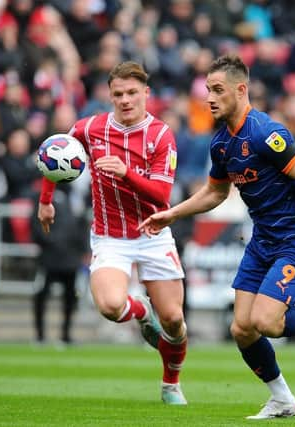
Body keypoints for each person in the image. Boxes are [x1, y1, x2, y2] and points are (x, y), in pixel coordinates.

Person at [139, 55, 295, 419]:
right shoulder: (221, 143)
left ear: (241, 90)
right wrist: (172, 214)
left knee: (267, 322)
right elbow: (215, 193)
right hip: (262, 243)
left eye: (218, 90)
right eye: (208, 90)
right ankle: (283, 400)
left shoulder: (266, 133)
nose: (210, 97)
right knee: (242, 329)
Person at [37, 61, 188, 405]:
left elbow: (162, 195)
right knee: (109, 305)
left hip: (153, 233)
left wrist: (124, 173)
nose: (125, 100)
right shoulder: (90, 128)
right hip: (110, 236)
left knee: (175, 320)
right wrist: (46, 201)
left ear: (146, 94)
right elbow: (54, 152)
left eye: (132, 93)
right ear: (110, 95)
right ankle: (140, 312)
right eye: (118, 94)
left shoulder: (161, 134)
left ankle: (171, 383)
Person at [31, 184, 88, 346]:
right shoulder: (44, 195)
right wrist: (50, 241)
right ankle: (40, 335)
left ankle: (66, 334)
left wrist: (83, 250)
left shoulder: (76, 196)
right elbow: (36, 221)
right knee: (41, 295)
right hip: (49, 257)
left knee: (71, 297)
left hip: (71, 259)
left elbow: (82, 224)